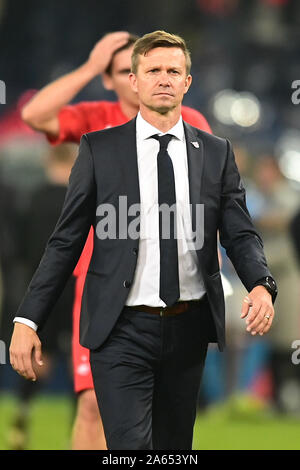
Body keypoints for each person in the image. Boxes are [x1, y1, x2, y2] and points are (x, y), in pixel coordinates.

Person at [10, 30, 277, 450]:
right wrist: (27, 320)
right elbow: (66, 241)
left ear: (188, 82)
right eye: (153, 70)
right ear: (133, 81)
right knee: (128, 448)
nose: (164, 78)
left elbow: (239, 231)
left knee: (173, 450)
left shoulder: (215, 151)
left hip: (189, 327)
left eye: (174, 70)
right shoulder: (99, 149)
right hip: (121, 328)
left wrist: (261, 283)